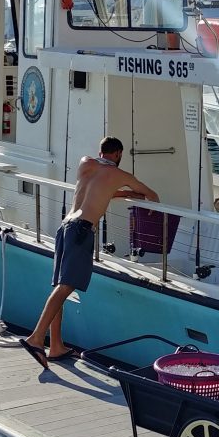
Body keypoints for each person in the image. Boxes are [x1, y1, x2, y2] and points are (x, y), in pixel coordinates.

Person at [19, 137, 159, 369]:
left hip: (65, 226)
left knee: (59, 287)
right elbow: (151, 194)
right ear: (119, 153)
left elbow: (96, 190)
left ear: (100, 151)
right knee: (66, 287)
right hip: (82, 231)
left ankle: (55, 346)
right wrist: (139, 197)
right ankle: (36, 338)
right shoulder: (121, 176)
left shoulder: (86, 163)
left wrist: (122, 194)